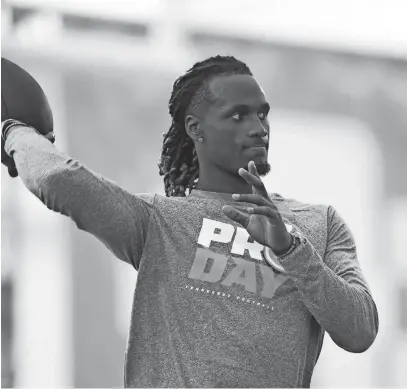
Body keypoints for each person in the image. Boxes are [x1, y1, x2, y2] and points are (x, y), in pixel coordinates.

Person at [2, 55, 379, 388]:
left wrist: (290, 248)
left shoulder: (318, 224)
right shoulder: (156, 223)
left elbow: (359, 330)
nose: (258, 127)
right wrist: (14, 132)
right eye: (238, 115)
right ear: (196, 129)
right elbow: (62, 179)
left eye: (262, 113)